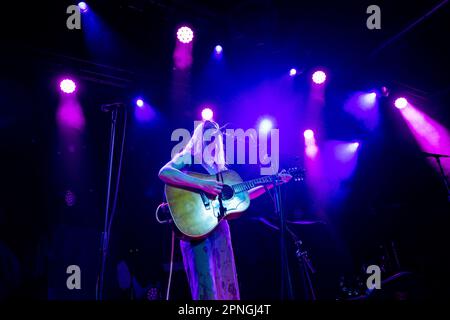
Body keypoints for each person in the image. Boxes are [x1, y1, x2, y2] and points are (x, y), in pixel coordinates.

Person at [158, 120, 291, 300]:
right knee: (207, 288)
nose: (212, 139)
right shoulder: (189, 156)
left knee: (226, 285)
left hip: (220, 228)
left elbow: (245, 195)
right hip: (196, 228)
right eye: (207, 135)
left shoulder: (221, 169)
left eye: (215, 136)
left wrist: (271, 182)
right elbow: (165, 172)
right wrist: (204, 184)